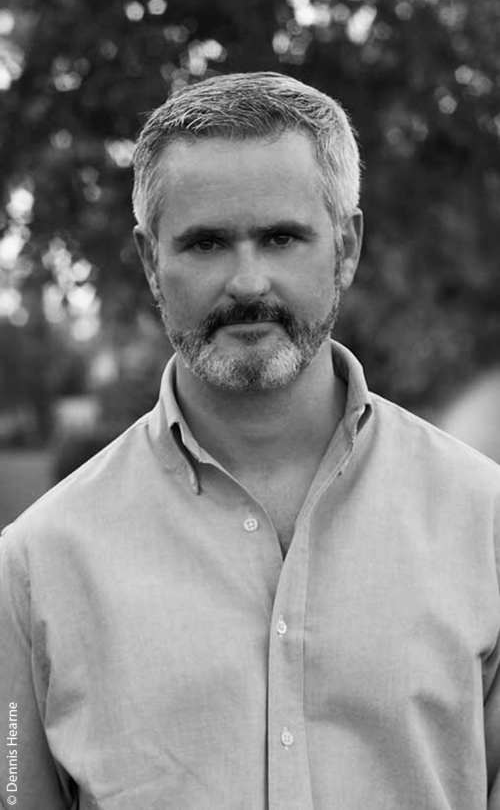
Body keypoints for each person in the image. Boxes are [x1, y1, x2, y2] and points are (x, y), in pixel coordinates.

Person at [1, 71, 500, 810]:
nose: (247, 282)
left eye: (281, 237)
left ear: (347, 246)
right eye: (205, 243)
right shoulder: (35, 566)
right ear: (150, 262)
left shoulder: (486, 522)